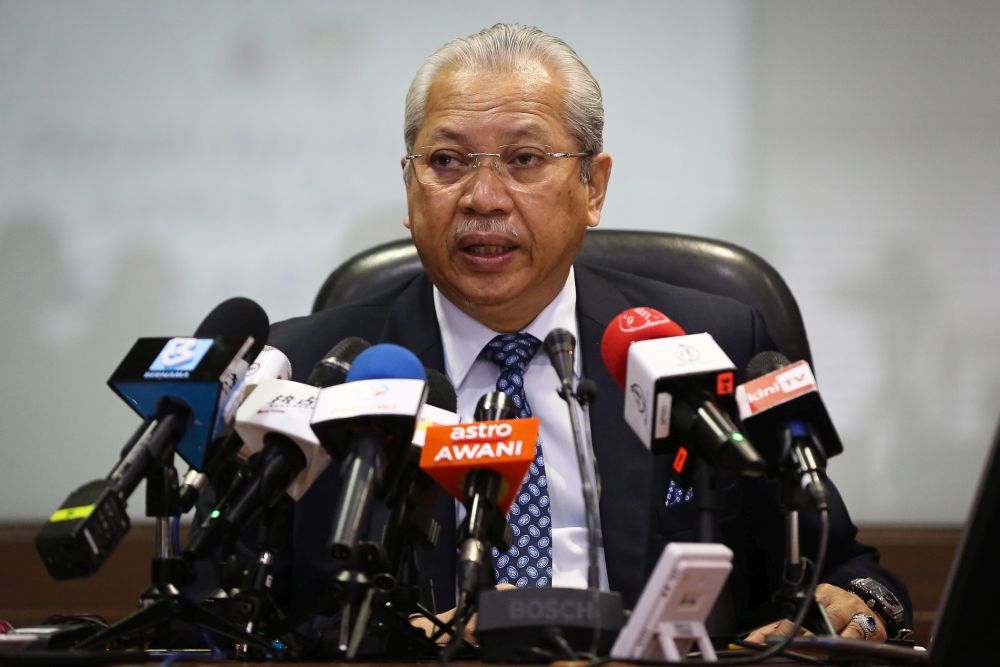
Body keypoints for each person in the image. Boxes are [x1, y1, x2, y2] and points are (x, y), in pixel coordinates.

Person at [267, 23, 911, 645]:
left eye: (524, 159)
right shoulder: (310, 373)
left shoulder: (713, 346)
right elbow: (228, 616)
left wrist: (859, 606)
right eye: (446, 161)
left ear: (593, 187)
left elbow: (846, 572)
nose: (483, 197)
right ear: (410, 188)